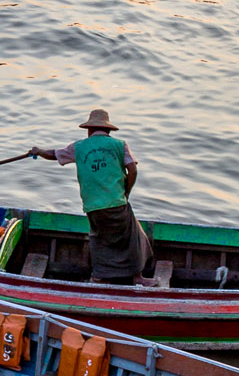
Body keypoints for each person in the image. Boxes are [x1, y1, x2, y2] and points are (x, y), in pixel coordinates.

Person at [31, 107, 153, 283]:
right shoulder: (120, 145)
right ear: (108, 130)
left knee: (100, 237)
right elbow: (132, 169)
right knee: (132, 237)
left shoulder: (79, 147)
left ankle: (100, 276)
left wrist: (38, 150)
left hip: (92, 206)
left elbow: (54, 154)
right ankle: (137, 277)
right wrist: (127, 191)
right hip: (116, 202)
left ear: (89, 129)